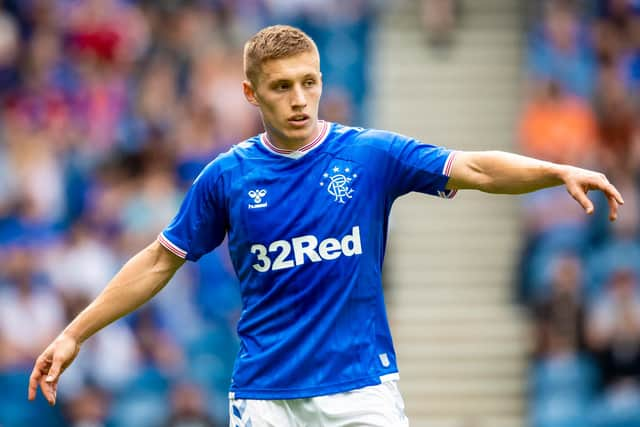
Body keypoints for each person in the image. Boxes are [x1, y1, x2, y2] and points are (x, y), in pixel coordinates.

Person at [28, 25, 624, 426]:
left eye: (308, 83)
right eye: (281, 87)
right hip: (266, 397)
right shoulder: (227, 177)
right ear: (251, 93)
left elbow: (470, 166)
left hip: (361, 389)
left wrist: (554, 169)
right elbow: (160, 260)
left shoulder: (368, 155)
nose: (298, 98)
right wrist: (74, 334)